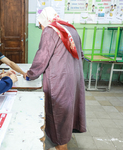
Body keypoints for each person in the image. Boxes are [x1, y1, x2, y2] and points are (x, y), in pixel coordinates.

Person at [26, 7, 86, 150]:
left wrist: (30, 74)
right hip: (75, 78)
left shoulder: (50, 30)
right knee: (68, 108)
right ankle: (65, 136)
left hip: (59, 79)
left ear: (45, 21)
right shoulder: (71, 28)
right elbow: (81, 55)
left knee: (57, 110)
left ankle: (61, 143)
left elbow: (42, 57)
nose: (41, 28)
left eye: (41, 25)